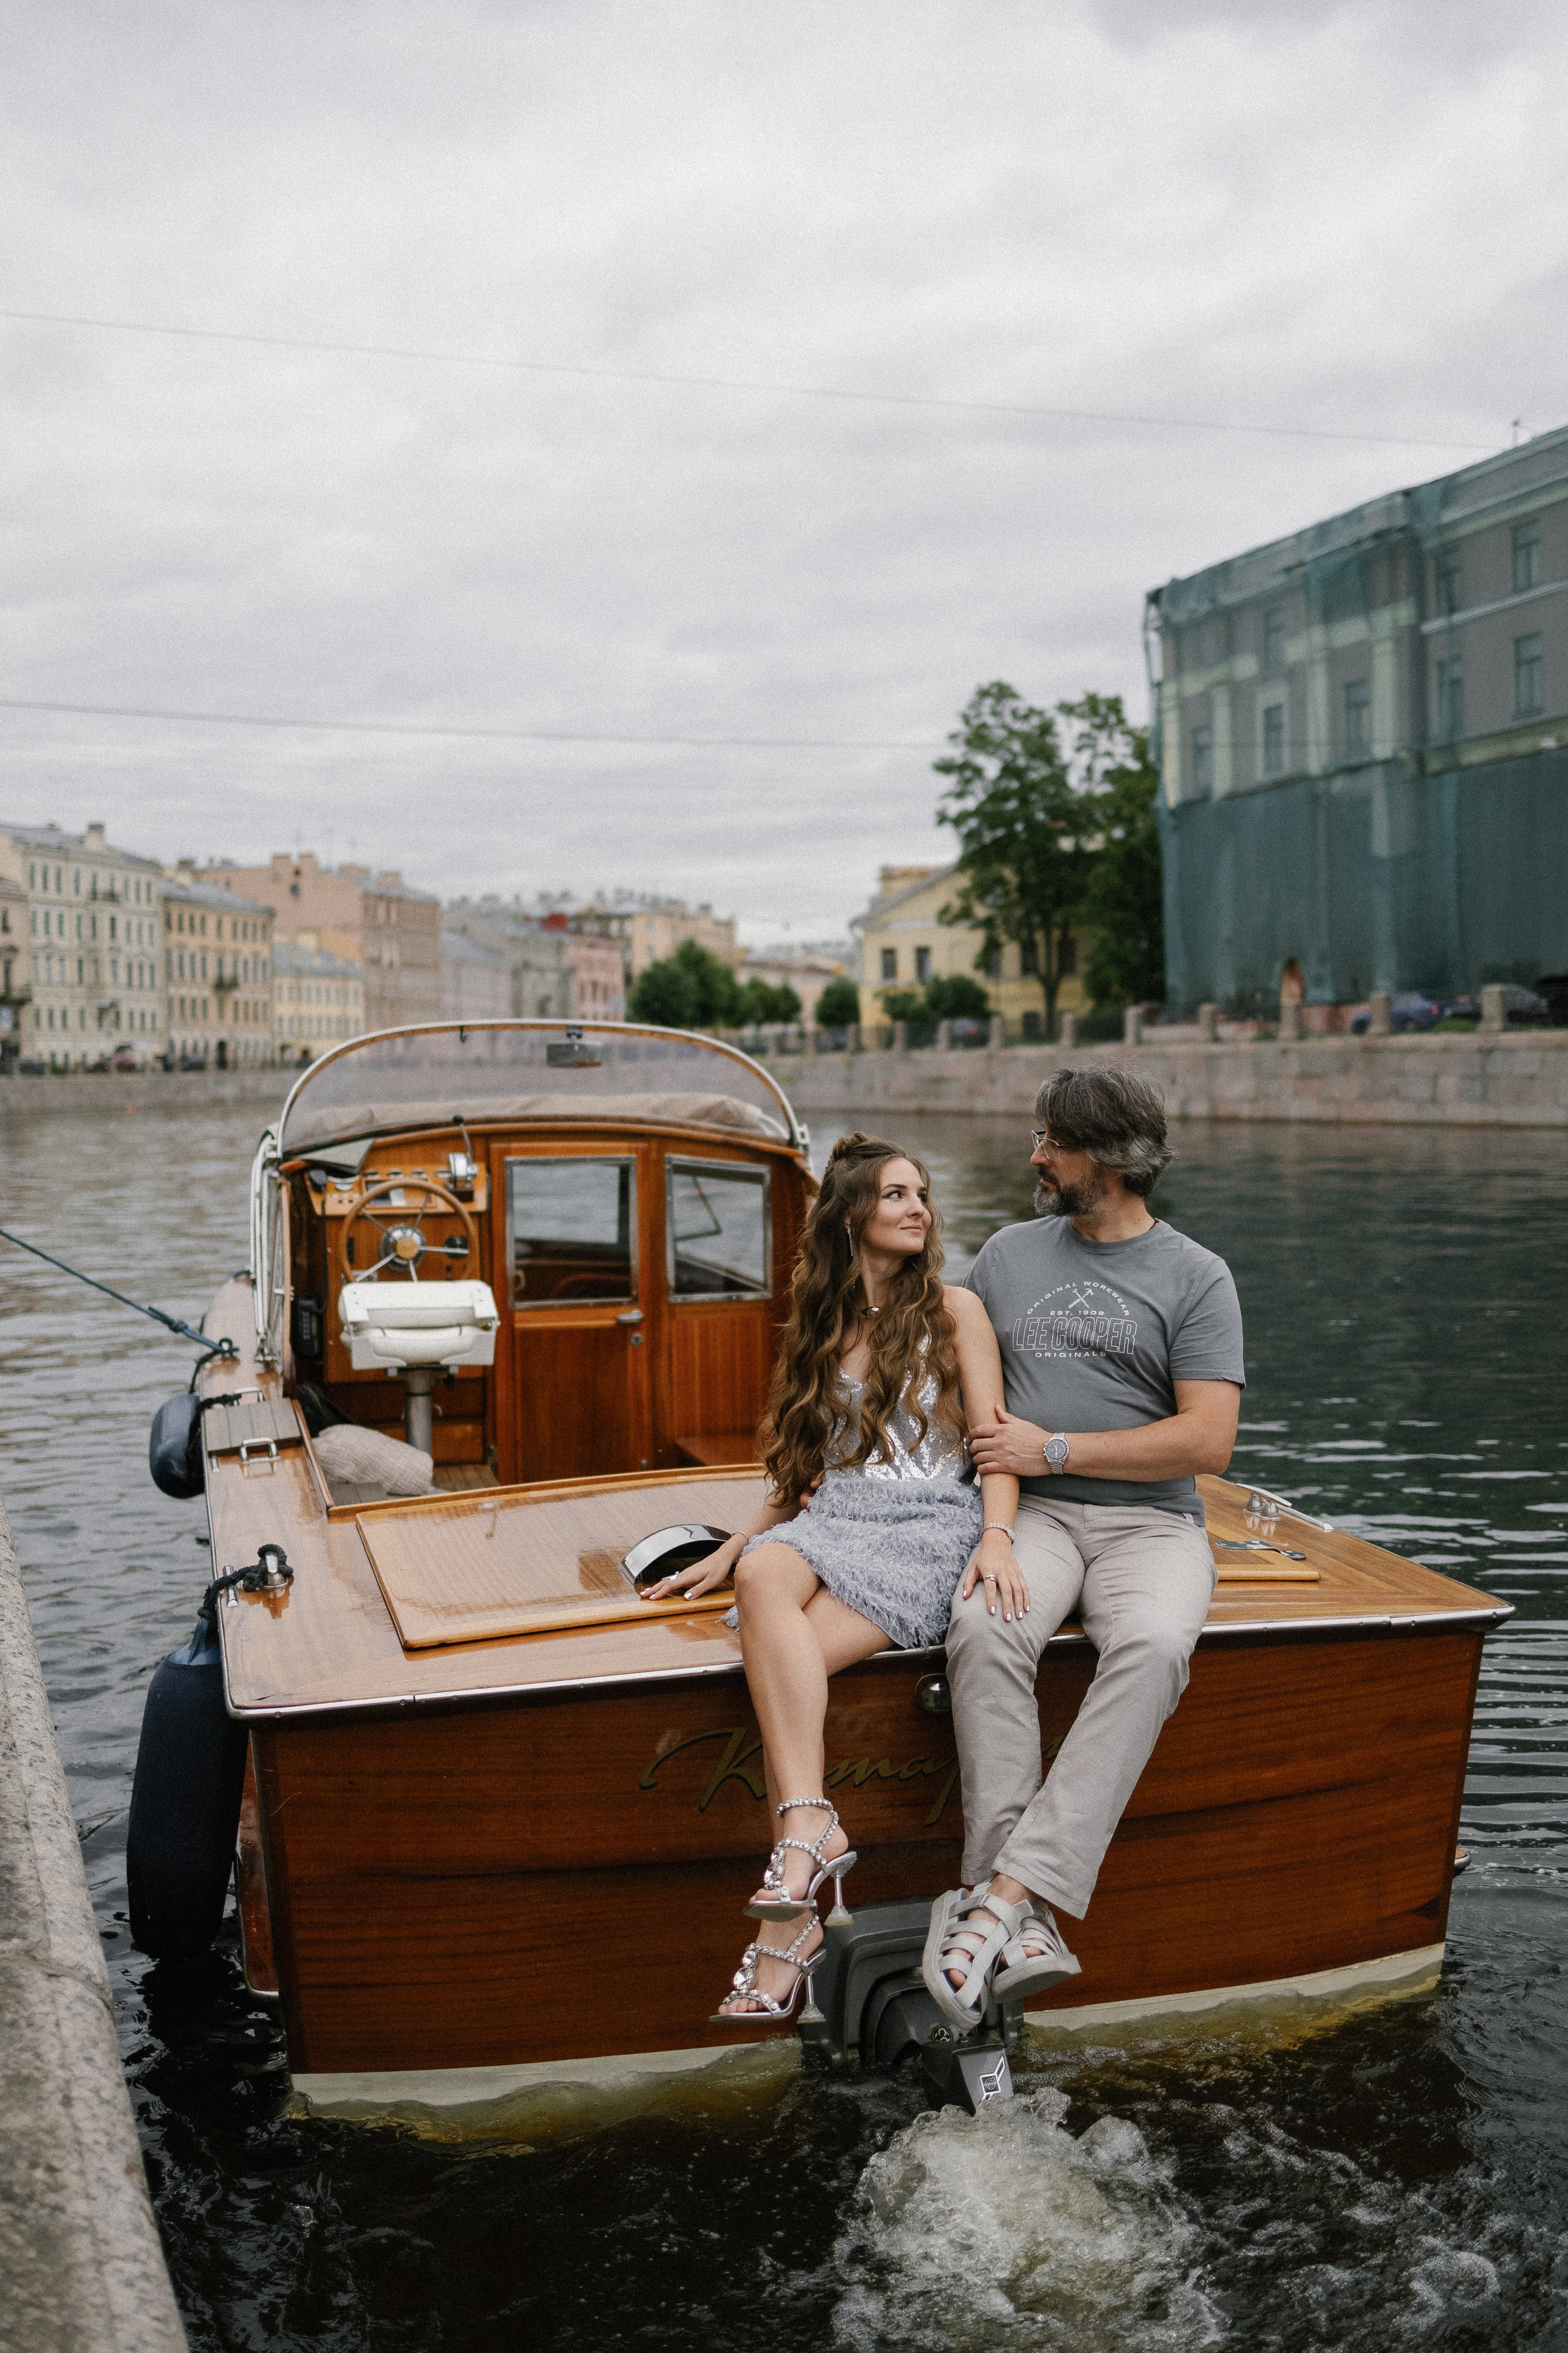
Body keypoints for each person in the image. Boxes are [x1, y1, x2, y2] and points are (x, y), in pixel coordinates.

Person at [641, 1130, 1024, 2024]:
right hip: (838, 1520)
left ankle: (788, 1927)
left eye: (922, 1192)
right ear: (853, 1212)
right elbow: (798, 1468)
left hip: (932, 1527)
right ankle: (809, 1835)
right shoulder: (823, 1322)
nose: (917, 1207)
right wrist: (734, 1543)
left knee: (778, 1669)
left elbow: (997, 1444)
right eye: (896, 1193)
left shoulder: (956, 1311)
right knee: (765, 1573)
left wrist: (998, 1535)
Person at [922, 1065, 1245, 2027]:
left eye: (1050, 1142)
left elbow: (1208, 1441)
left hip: (1155, 1523)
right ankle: (1008, 1922)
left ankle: (1004, 1899)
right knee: (982, 1624)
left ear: (1104, 1157)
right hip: (1037, 1517)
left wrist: (1053, 1444)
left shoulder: (1197, 1275)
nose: (1035, 1156)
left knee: (1152, 1647)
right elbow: (932, 1347)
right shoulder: (1010, 1255)